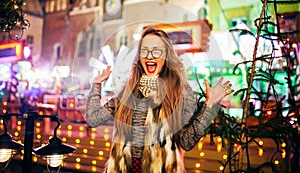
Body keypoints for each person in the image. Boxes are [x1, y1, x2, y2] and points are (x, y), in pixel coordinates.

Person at [86, 28, 234, 173]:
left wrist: (209, 105)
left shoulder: (179, 92)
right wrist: (97, 85)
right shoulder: (127, 93)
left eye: (156, 50)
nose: (150, 56)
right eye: (145, 50)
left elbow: (186, 141)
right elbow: (93, 119)